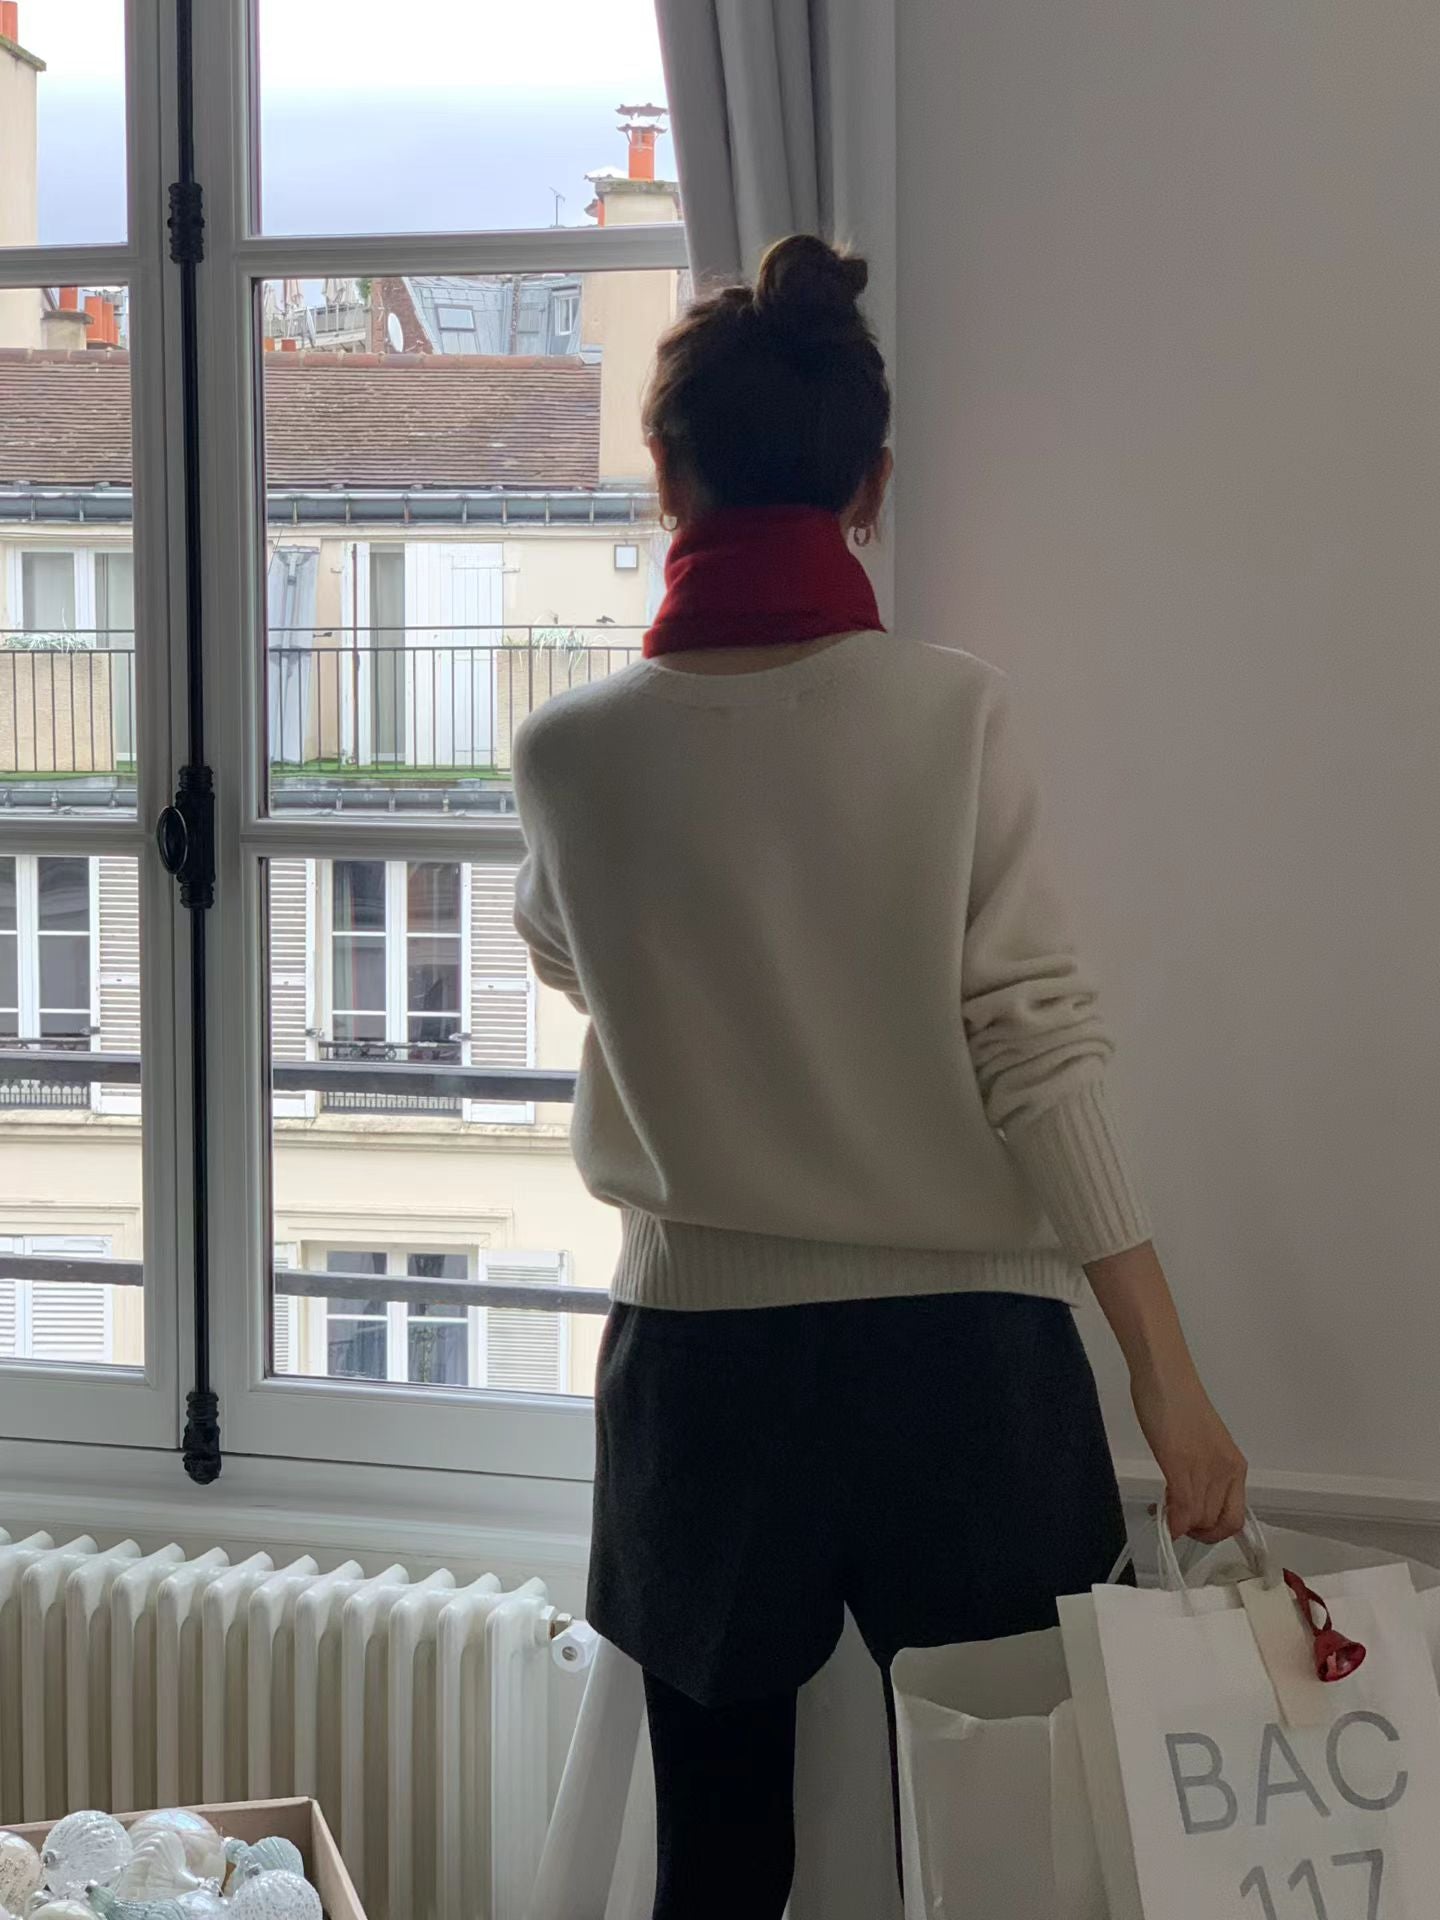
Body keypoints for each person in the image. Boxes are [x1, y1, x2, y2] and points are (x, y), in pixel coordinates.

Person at [512, 233, 1246, 1920]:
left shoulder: (568, 755)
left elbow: (567, 958)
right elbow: (1038, 1045)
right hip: (969, 1370)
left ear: (665, 472)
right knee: (1007, 1862)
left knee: (716, 1871)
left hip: (701, 1368)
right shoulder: (951, 716)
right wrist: (1169, 1376)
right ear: (873, 484)